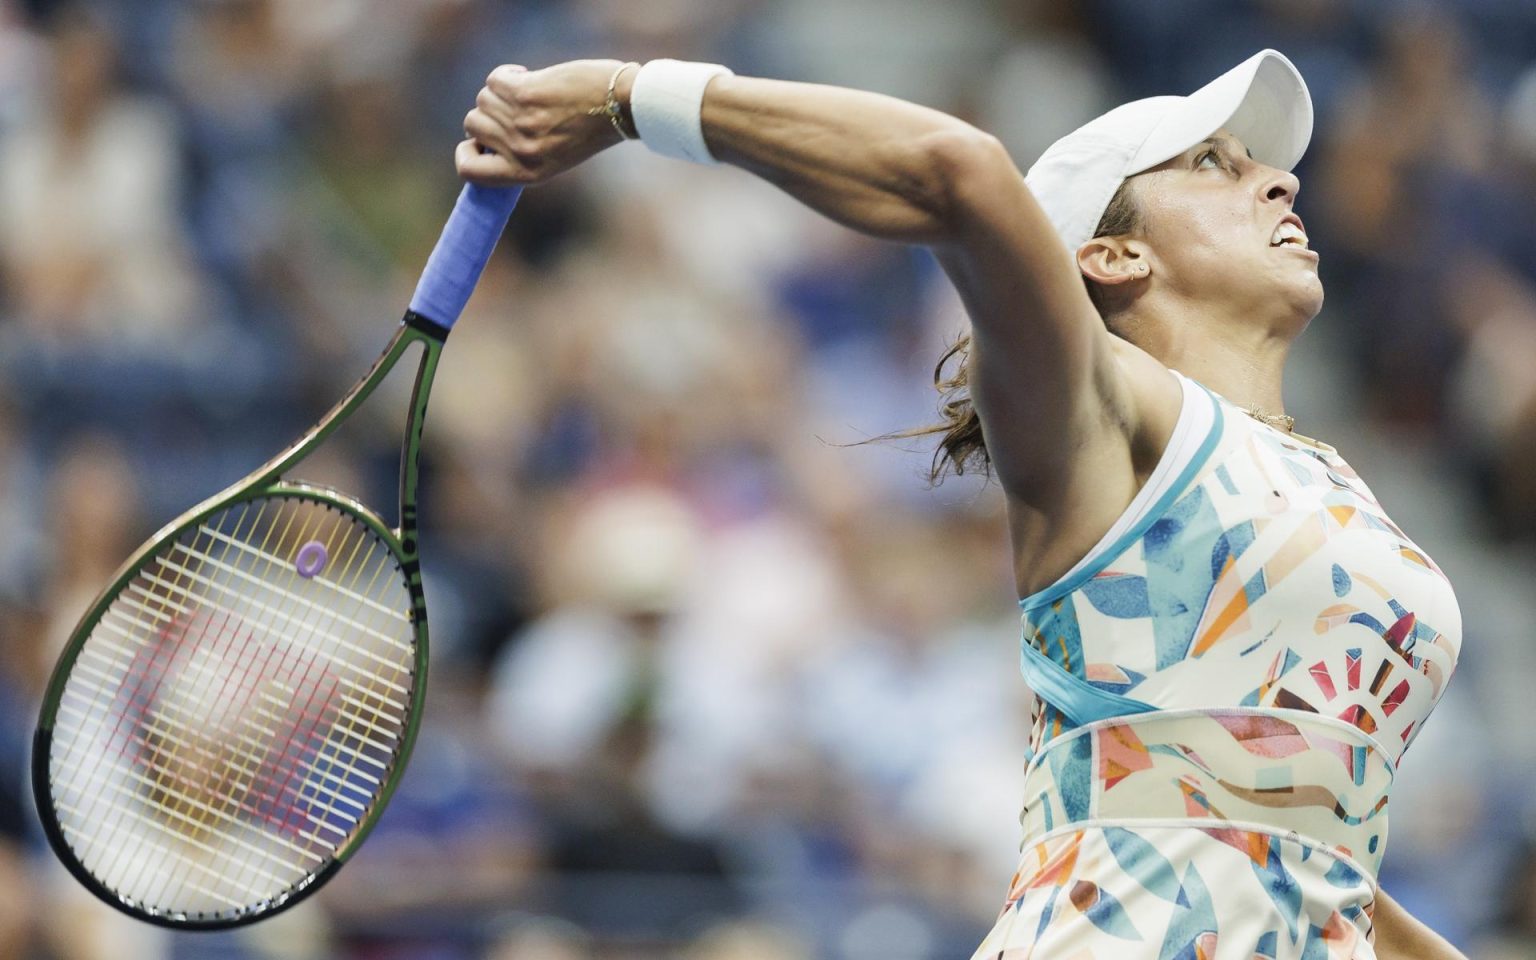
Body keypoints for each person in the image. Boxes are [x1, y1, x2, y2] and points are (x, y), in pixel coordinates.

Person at [456, 50, 1469, 960]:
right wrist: (630, 97)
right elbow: (963, 174)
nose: (1281, 178)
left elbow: (1306, 849)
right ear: (1112, 257)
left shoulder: (1332, 484)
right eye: (1213, 162)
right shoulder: (1102, 411)